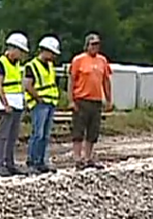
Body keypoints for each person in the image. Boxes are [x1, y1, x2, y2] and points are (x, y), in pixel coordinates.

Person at [68, 32, 112, 170]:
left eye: (97, 44)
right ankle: (77, 158)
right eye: (93, 44)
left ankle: (88, 158)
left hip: (96, 100)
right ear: (87, 45)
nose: (95, 47)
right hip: (81, 99)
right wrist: (71, 100)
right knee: (78, 130)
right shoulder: (78, 60)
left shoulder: (102, 61)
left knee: (93, 131)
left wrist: (109, 99)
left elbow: (106, 80)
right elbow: (71, 80)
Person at [0, 32, 29, 176]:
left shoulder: (17, 65)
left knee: (13, 136)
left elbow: (18, 84)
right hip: (7, 105)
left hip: (17, 103)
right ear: (14, 49)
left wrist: (22, 100)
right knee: (4, 135)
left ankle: (9, 163)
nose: (22, 55)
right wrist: (5, 104)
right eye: (21, 51)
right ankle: (0, 163)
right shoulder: (1, 63)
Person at [23, 35, 61, 173]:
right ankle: (32, 161)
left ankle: (41, 161)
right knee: (37, 134)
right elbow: (27, 85)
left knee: (45, 134)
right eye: (53, 53)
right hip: (40, 104)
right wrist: (38, 98)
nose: (54, 57)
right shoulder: (31, 66)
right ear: (45, 50)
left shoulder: (50, 66)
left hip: (50, 102)